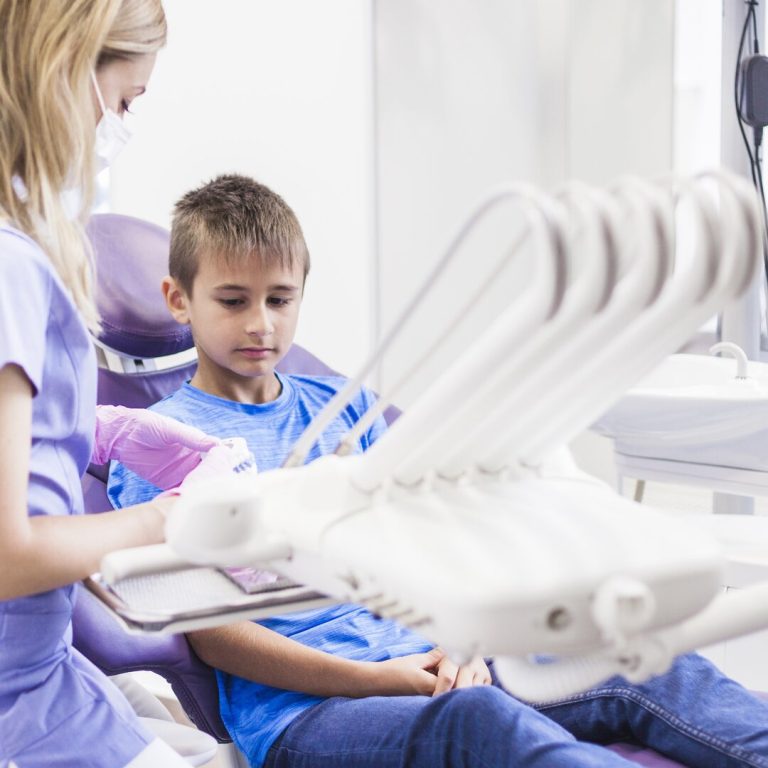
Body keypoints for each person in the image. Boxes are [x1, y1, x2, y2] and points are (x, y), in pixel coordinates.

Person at [108, 172, 768, 768]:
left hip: (447, 665)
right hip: (308, 713)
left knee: (644, 663)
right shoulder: (162, 444)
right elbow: (215, 636)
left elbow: (431, 540)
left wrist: (465, 647)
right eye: (233, 300)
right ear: (178, 299)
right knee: (481, 723)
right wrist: (378, 678)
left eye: (280, 299)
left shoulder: (347, 406)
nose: (261, 324)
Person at [0, 2, 222, 766]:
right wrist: (166, 521)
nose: (120, 127)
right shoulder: (11, 269)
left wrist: (106, 430)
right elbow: (6, 553)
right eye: (124, 102)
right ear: (66, 67)